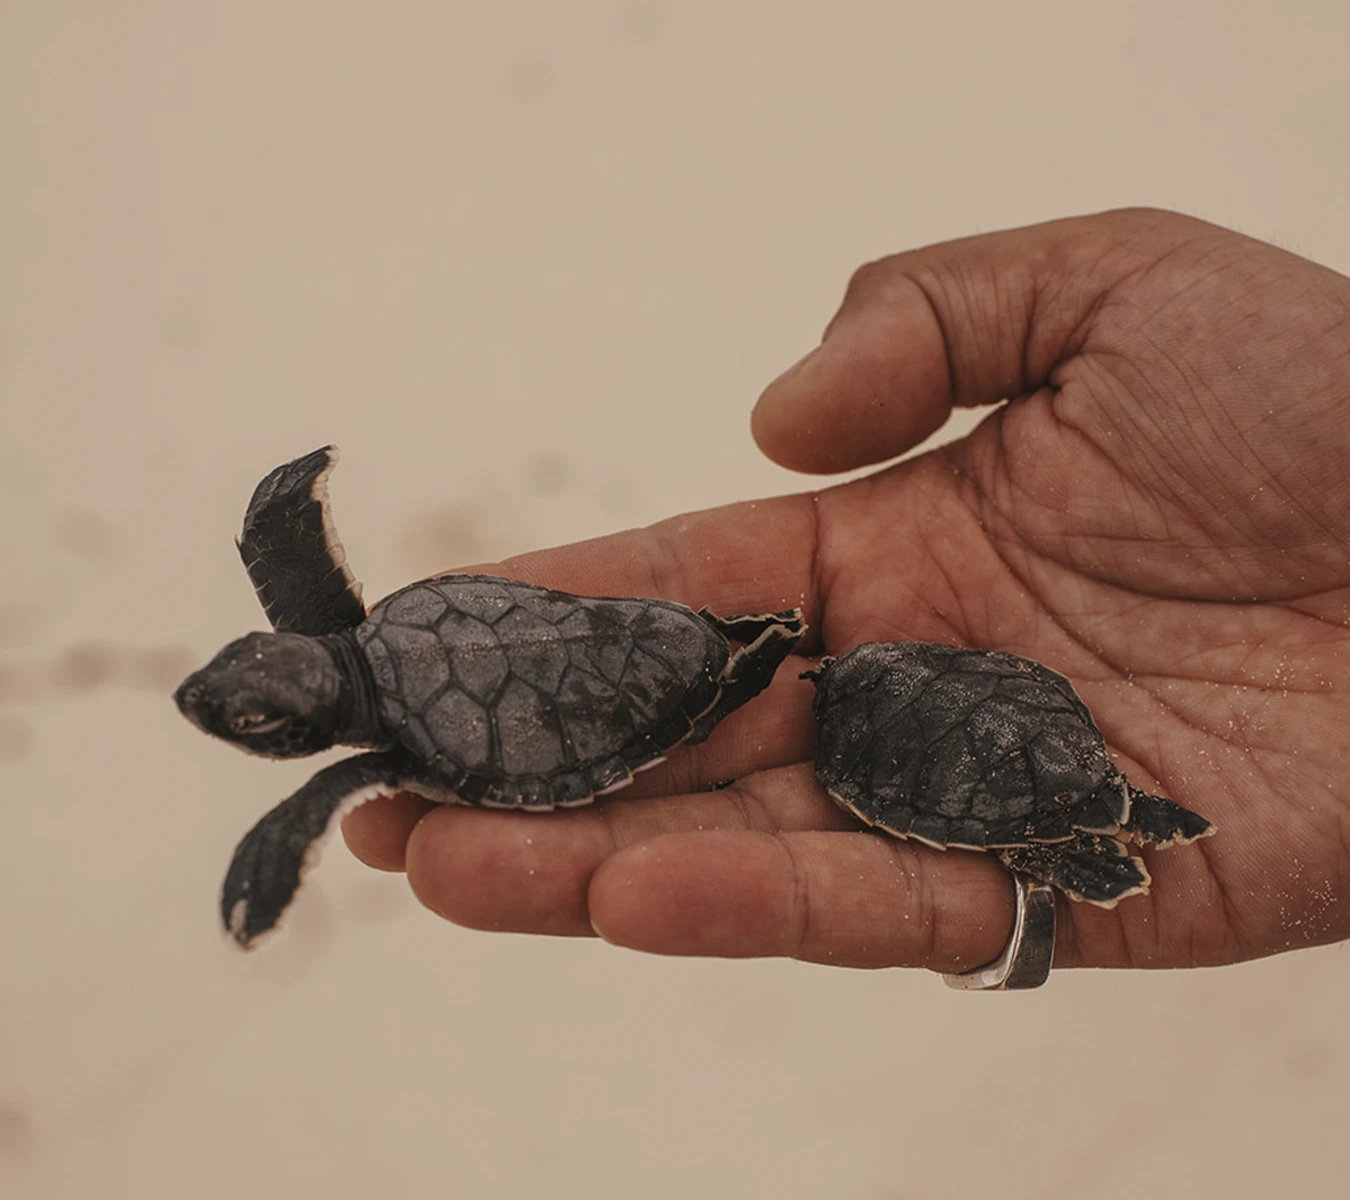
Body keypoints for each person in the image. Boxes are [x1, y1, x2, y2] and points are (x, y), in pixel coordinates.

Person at [342, 207, 1350, 976]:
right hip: (1022, 737)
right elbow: (995, 691)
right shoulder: (885, 714)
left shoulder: (843, 756)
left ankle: (1094, 831)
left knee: (1015, 800)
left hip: (944, 742)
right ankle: (1106, 812)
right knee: (1027, 781)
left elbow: (937, 731)